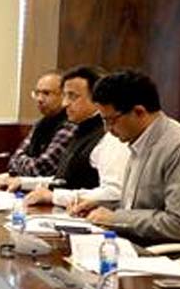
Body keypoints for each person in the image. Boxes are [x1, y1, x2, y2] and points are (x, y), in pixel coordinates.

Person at [80, 70, 180, 245]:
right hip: (131, 243)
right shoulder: (138, 139)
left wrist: (115, 218)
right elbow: (138, 206)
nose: (107, 129)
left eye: (111, 120)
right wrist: (103, 206)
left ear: (139, 112)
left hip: (162, 253)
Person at [23, 66, 129, 208]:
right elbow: (65, 180)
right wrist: (21, 182)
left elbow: (114, 193)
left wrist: (55, 197)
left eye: (73, 96)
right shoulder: (81, 128)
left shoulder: (111, 136)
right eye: (65, 96)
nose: (65, 103)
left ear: (97, 99)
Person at [0, 70, 76, 191]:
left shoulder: (70, 125)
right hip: (31, 189)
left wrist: (22, 166)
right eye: (37, 93)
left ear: (63, 96)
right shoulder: (41, 124)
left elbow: (40, 168)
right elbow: (13, 160)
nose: (39, 99)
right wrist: (24, 165)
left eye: (46, 93)